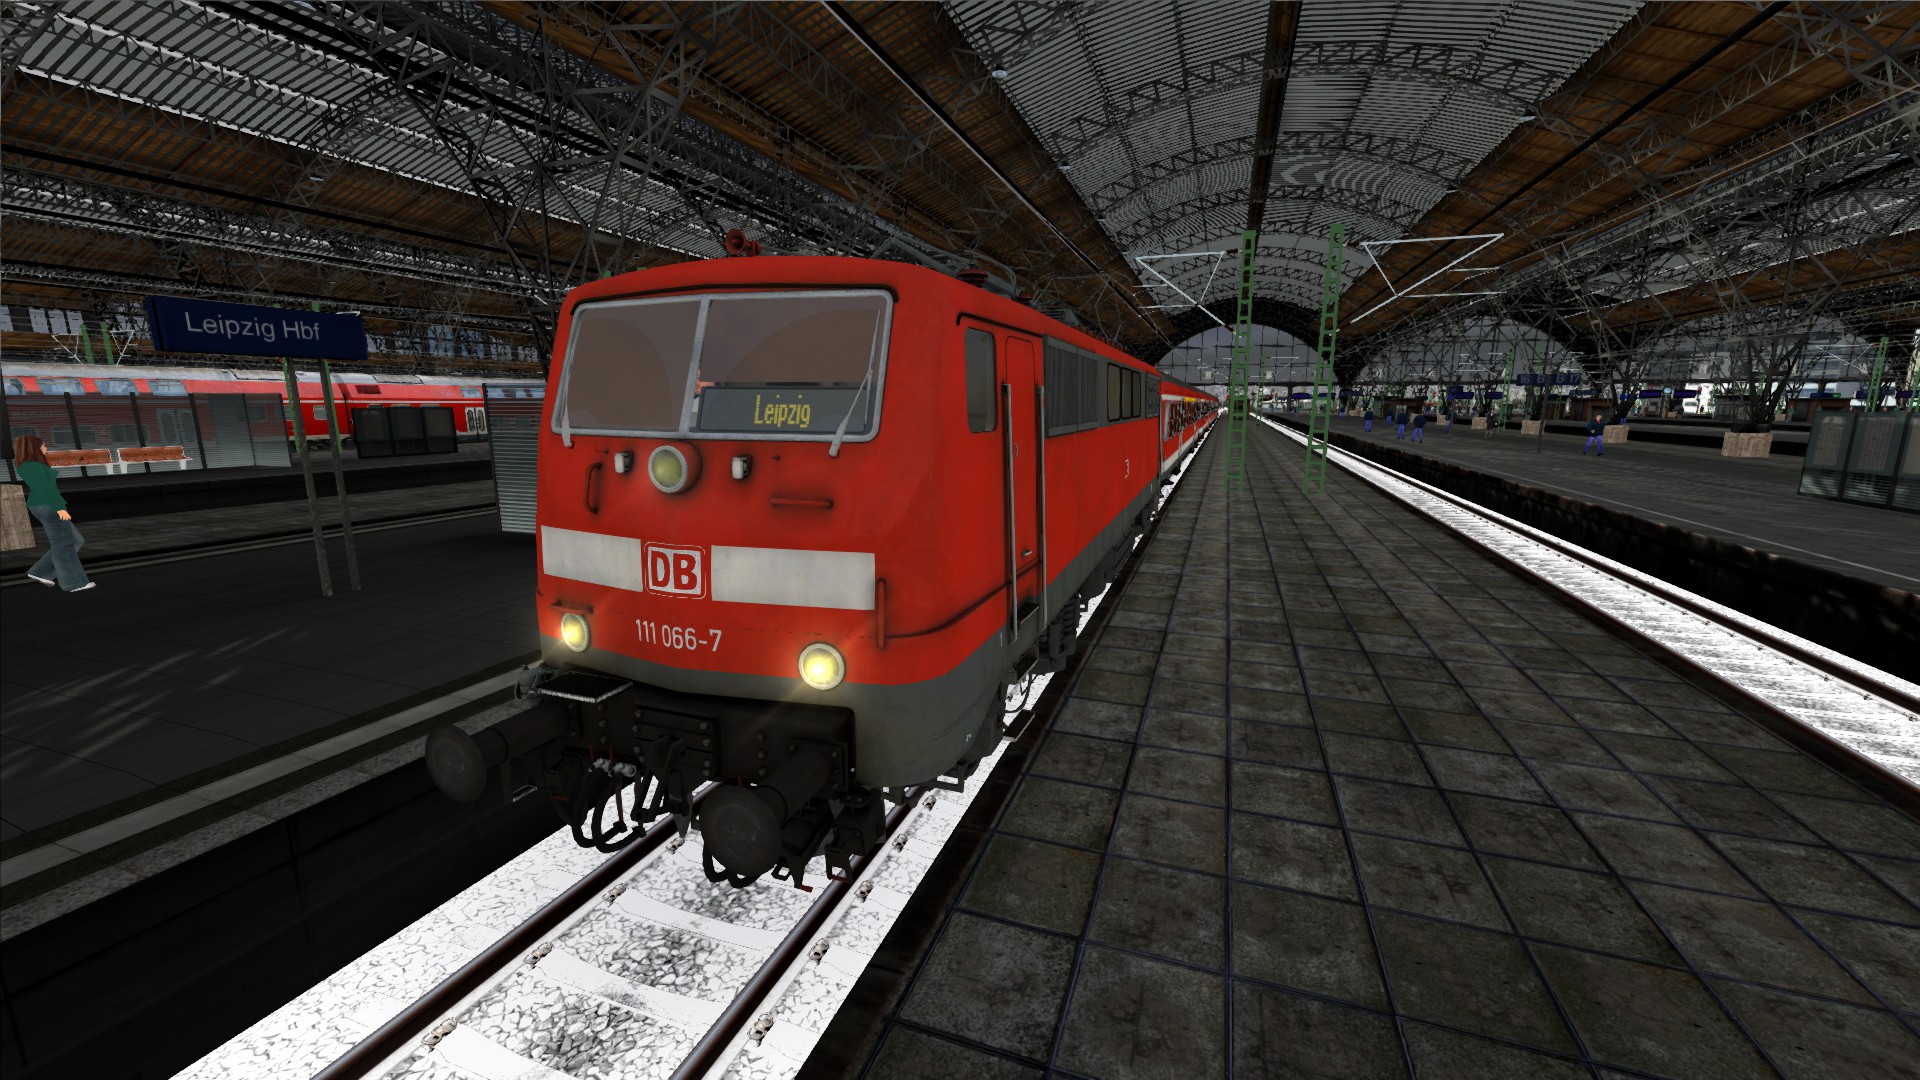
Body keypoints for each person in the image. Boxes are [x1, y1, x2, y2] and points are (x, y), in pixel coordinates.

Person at [14, 434, 95, 591]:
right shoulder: (35, 466)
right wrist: (60, 508)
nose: (46, 447)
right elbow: (48, 489)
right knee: (64, 545)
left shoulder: (26, 465)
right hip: (49, 505)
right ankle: (74, 583)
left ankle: (41, 572)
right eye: (43, 445)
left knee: (75, 540)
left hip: (39, 504)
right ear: (35, 448)